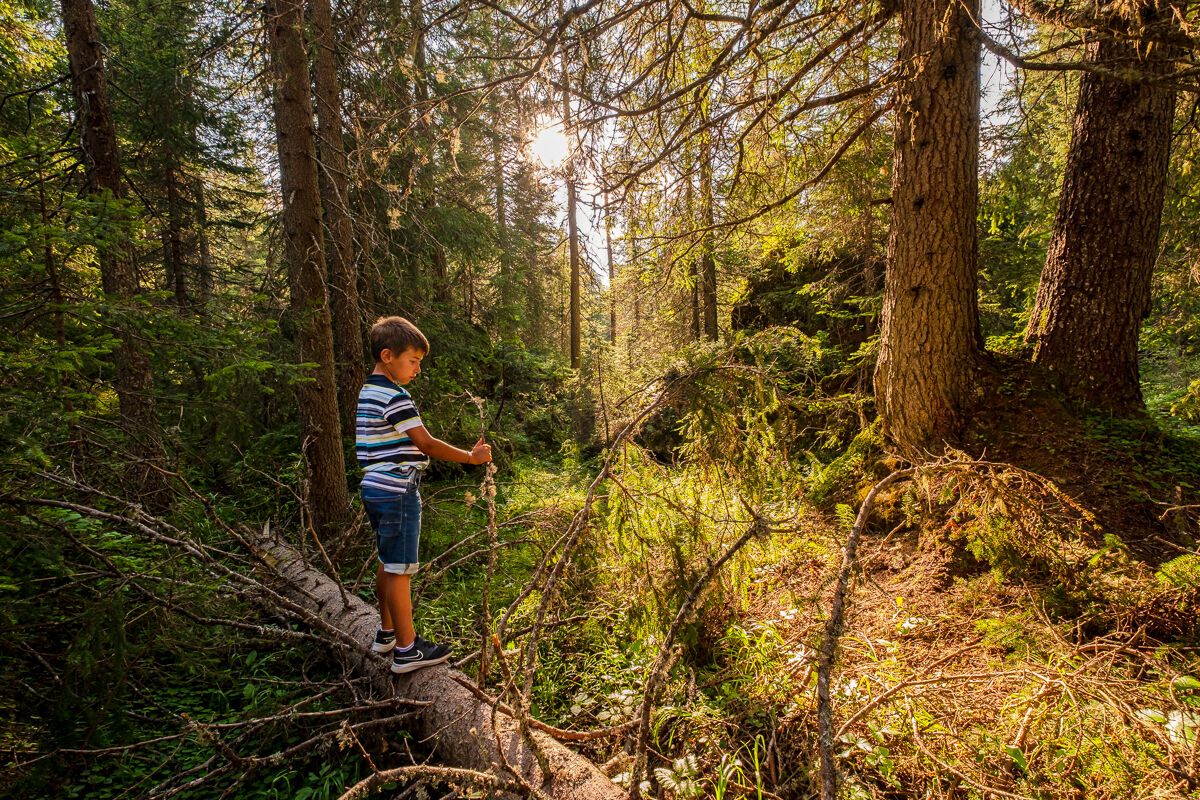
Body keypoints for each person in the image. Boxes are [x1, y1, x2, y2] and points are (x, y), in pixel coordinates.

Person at [357, 316, 492, 673]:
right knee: (400, 569)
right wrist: (471, 457)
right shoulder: (395, 396)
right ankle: (407, 649)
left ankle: (387, 633)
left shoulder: (368, 391)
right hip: (398, 489)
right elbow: (426, 444)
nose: (417, 369)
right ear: (388, 356)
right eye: (413, 361)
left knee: (387, 561)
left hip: (373, 487)